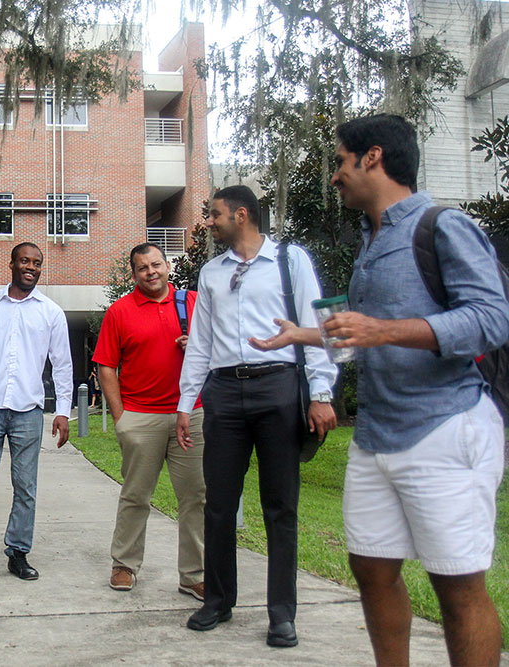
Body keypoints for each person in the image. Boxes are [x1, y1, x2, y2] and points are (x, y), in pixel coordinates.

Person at [250, 114, 509, 665]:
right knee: (370, 566)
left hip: (444, 426)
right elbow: (367, 331)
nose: (335, 177)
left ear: (372, 157)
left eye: (341, 163)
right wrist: (303, 334)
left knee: (457, 586)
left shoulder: (442, 225)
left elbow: (490, 319)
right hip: (375, 435)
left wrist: (381, 330)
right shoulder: (371, 239)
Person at [176, 185, 337, 648]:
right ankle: (218, 600)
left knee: (280, 506)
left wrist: (320, 393)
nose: (209, 222)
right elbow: (200, 343)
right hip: (224, 393)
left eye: (215, 214)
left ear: (242, 215)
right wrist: (187, 403)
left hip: (279, 388)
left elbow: (317, 327)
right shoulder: (210, 273)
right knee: (220, 504)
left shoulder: (290, 262)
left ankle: (282, 614)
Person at [92, 243, 206, 598]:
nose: (151, 272)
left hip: (193, 414)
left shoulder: (194, 302)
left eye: (156, 264)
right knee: (136, 495)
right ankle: (124, 564)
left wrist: (200, 348)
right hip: (140, 416)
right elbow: (105, 365)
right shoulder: (120, 311)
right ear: (134, 273)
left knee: (196, 498)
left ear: (168, 265)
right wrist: (120, 417)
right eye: (143, 268)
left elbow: (223, 348)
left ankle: (194, 575)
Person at [0, 242, 73, 580]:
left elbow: (62, 366)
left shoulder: (51, 312)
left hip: (29, 411)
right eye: (25, 260)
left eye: (37, 262)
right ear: (11, 264)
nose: (31, 267)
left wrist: (62, 411)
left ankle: (18, 551)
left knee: (25, 486)